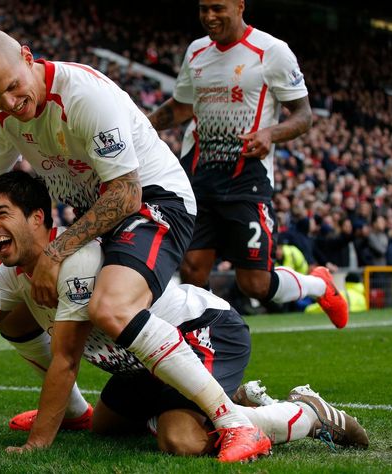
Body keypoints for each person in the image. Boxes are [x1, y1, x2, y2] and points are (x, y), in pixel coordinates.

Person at [0, 29, 268, 462]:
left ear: (27, 56)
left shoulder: (84, 95)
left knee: (110, 307)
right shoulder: (1, 118)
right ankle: (79, 412)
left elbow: (126, 195)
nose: (8, 103)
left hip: (155, 201)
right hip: (101, 216)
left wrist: (57, 251)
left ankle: (234, 421)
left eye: (12, 87)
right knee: (19, 314)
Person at [0, 172, 367, 459]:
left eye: (2, 213)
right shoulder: (11, 274)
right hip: (141, 364)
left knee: (180, 440)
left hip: (202, 330)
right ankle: (225, 401)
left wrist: (38, 441)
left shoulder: (76, 259)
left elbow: (66, 360)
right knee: (104, 426)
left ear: (38, 218)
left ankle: (307, 413)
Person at [147, 0, 348, 328]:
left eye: (217, 8)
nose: (209, 17)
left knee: (254, 283)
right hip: (197, 178)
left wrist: (271, 133)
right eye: (202, 9)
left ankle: (319, 285)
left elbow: (303, 114)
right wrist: (143, 123)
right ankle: (208, 350)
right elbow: (183, 106)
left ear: (239, 6)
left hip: (246, 180)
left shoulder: (272, 51)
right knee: (193, 269)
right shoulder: (197, 52)